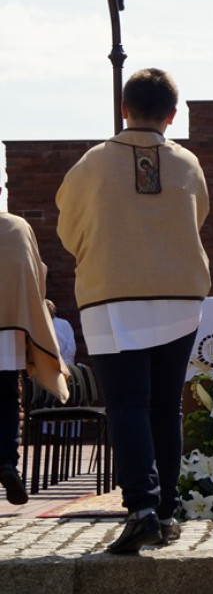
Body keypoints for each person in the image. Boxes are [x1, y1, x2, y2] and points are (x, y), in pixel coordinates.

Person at [56, 68, 211, 551]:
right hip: (180, 296)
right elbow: (198, 216)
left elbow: (68, 228)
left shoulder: (91, 164)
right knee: (166, 407)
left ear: (125, 108)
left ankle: (143, 507)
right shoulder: (187, 164)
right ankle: (165, 514)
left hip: (114, 297)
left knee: (127, 403)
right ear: (172, 114)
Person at [0, 188, 69, 505]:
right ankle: (6, 461)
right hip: (10, 326)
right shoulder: (18, 228)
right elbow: (37, 273)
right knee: (6, 398)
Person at [45, 299, 76, 367]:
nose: (48, 308)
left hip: (66, 364)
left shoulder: (64, 324)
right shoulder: (41, 326)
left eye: (50, 306)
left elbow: (71, 347)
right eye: (46, 307)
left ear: (54, 309)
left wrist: (63, 363)